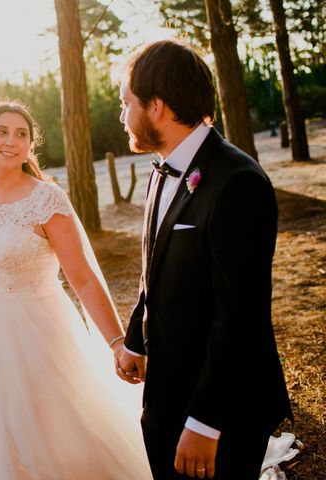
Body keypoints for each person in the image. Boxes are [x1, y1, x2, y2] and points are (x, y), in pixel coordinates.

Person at [114, 39, 293, 479]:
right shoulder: (164, 168)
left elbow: (241, 315)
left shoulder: (239, 183)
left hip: (219, 411)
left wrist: (206, 421)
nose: (122, 116)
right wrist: (137, 338)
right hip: (166, 393)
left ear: (156, 107)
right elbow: (154, 268)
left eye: (126, 103)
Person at [0, 100, 152, 479]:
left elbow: (82, 278)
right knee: (3, 427)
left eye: (21, 134)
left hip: (41, 331)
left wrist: (116, 342)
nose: (11, 140)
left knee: (62, 427)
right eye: (1, 132)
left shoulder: (46, 200)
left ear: (30, 146)